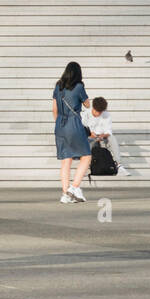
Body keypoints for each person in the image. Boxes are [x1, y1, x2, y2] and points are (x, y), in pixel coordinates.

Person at [52, 62, 92, 203]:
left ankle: (65, 194)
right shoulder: (79, 86)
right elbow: (87, 104)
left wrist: (60, 123)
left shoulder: (58, 86)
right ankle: (74, 187)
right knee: (86, 156)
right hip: (73, 123)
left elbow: (54, 109)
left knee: (66, 160)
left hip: (60, 125)